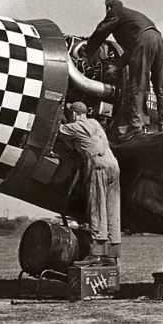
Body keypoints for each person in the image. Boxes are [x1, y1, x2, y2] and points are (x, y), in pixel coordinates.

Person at [81, 0, 163, 140]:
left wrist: (86, 53)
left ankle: (135, 125)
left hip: (144, 41)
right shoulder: (133, 18)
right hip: (158, 40)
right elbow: (132, 50)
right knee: (159, 87)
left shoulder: (116, 11)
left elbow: (101, 31)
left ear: (109, 8)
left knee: (136, 84)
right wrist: (116, 66)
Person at [57, 101, 122, 265]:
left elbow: (57, 130)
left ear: (74, 114)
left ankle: (97, 254)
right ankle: (112, 256)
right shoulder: (95, 123)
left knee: (97, 208)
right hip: (113, 165)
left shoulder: (75, 126)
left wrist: (57, 114)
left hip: (98, 166)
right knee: (112, 210)